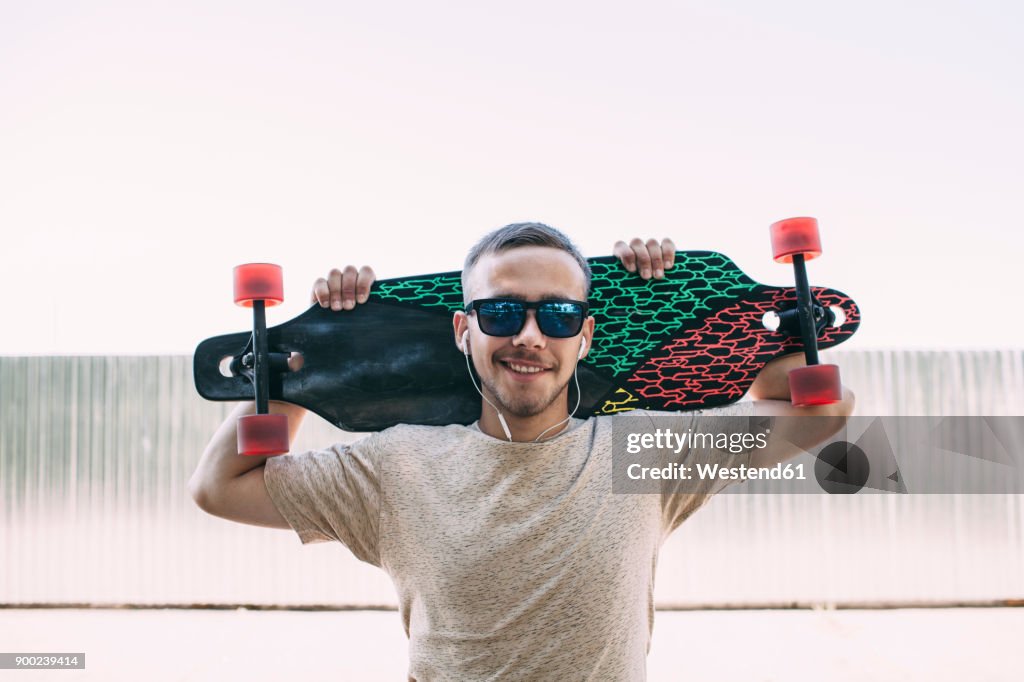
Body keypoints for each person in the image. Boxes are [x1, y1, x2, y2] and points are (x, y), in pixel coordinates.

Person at [188, 223, 854, 680]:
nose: (531, 336)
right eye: (502, 313)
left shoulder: (642, 454)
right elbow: (223, 486)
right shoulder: (396, 467)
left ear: (587, 336)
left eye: (558, 316)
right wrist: (312, 366)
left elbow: (812, 411)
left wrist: (699, 303)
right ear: (462, 329)